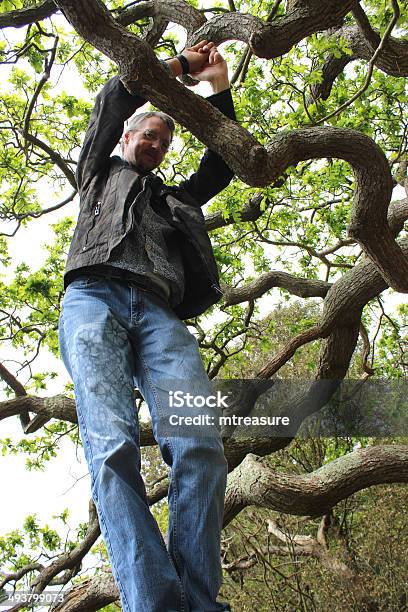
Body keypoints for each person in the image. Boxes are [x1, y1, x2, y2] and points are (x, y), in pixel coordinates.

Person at [58, 40, 235, 612]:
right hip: (93, 297)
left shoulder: (175, 200)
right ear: (129, 137)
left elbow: (224, 160)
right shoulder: (96, 174)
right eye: (148, 135)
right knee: (111, 447)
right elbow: (113, 98)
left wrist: (219, 86)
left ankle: (196, 600)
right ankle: (155, 602)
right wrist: (178, 68)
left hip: (159, 314)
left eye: (165, 140)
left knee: (201, 446)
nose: (156, 144)